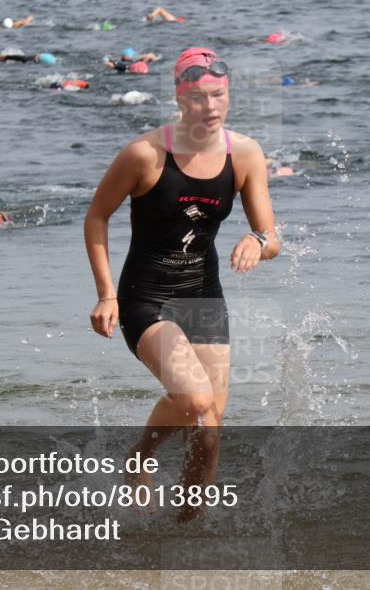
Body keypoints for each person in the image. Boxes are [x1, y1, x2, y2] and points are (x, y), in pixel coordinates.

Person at [84, 47, 279, 520]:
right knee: (195, 400)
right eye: (198, 98)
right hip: (145, 298)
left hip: (203, 296)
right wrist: (106, 294)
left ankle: (184, 534)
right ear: (178, 96)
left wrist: (257, 241)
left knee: (209, 430)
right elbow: (96, 217)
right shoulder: (144, 154)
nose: (210, 107)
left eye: (219, 95)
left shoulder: (246, 153)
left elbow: (271, 235)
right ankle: (140, 457)